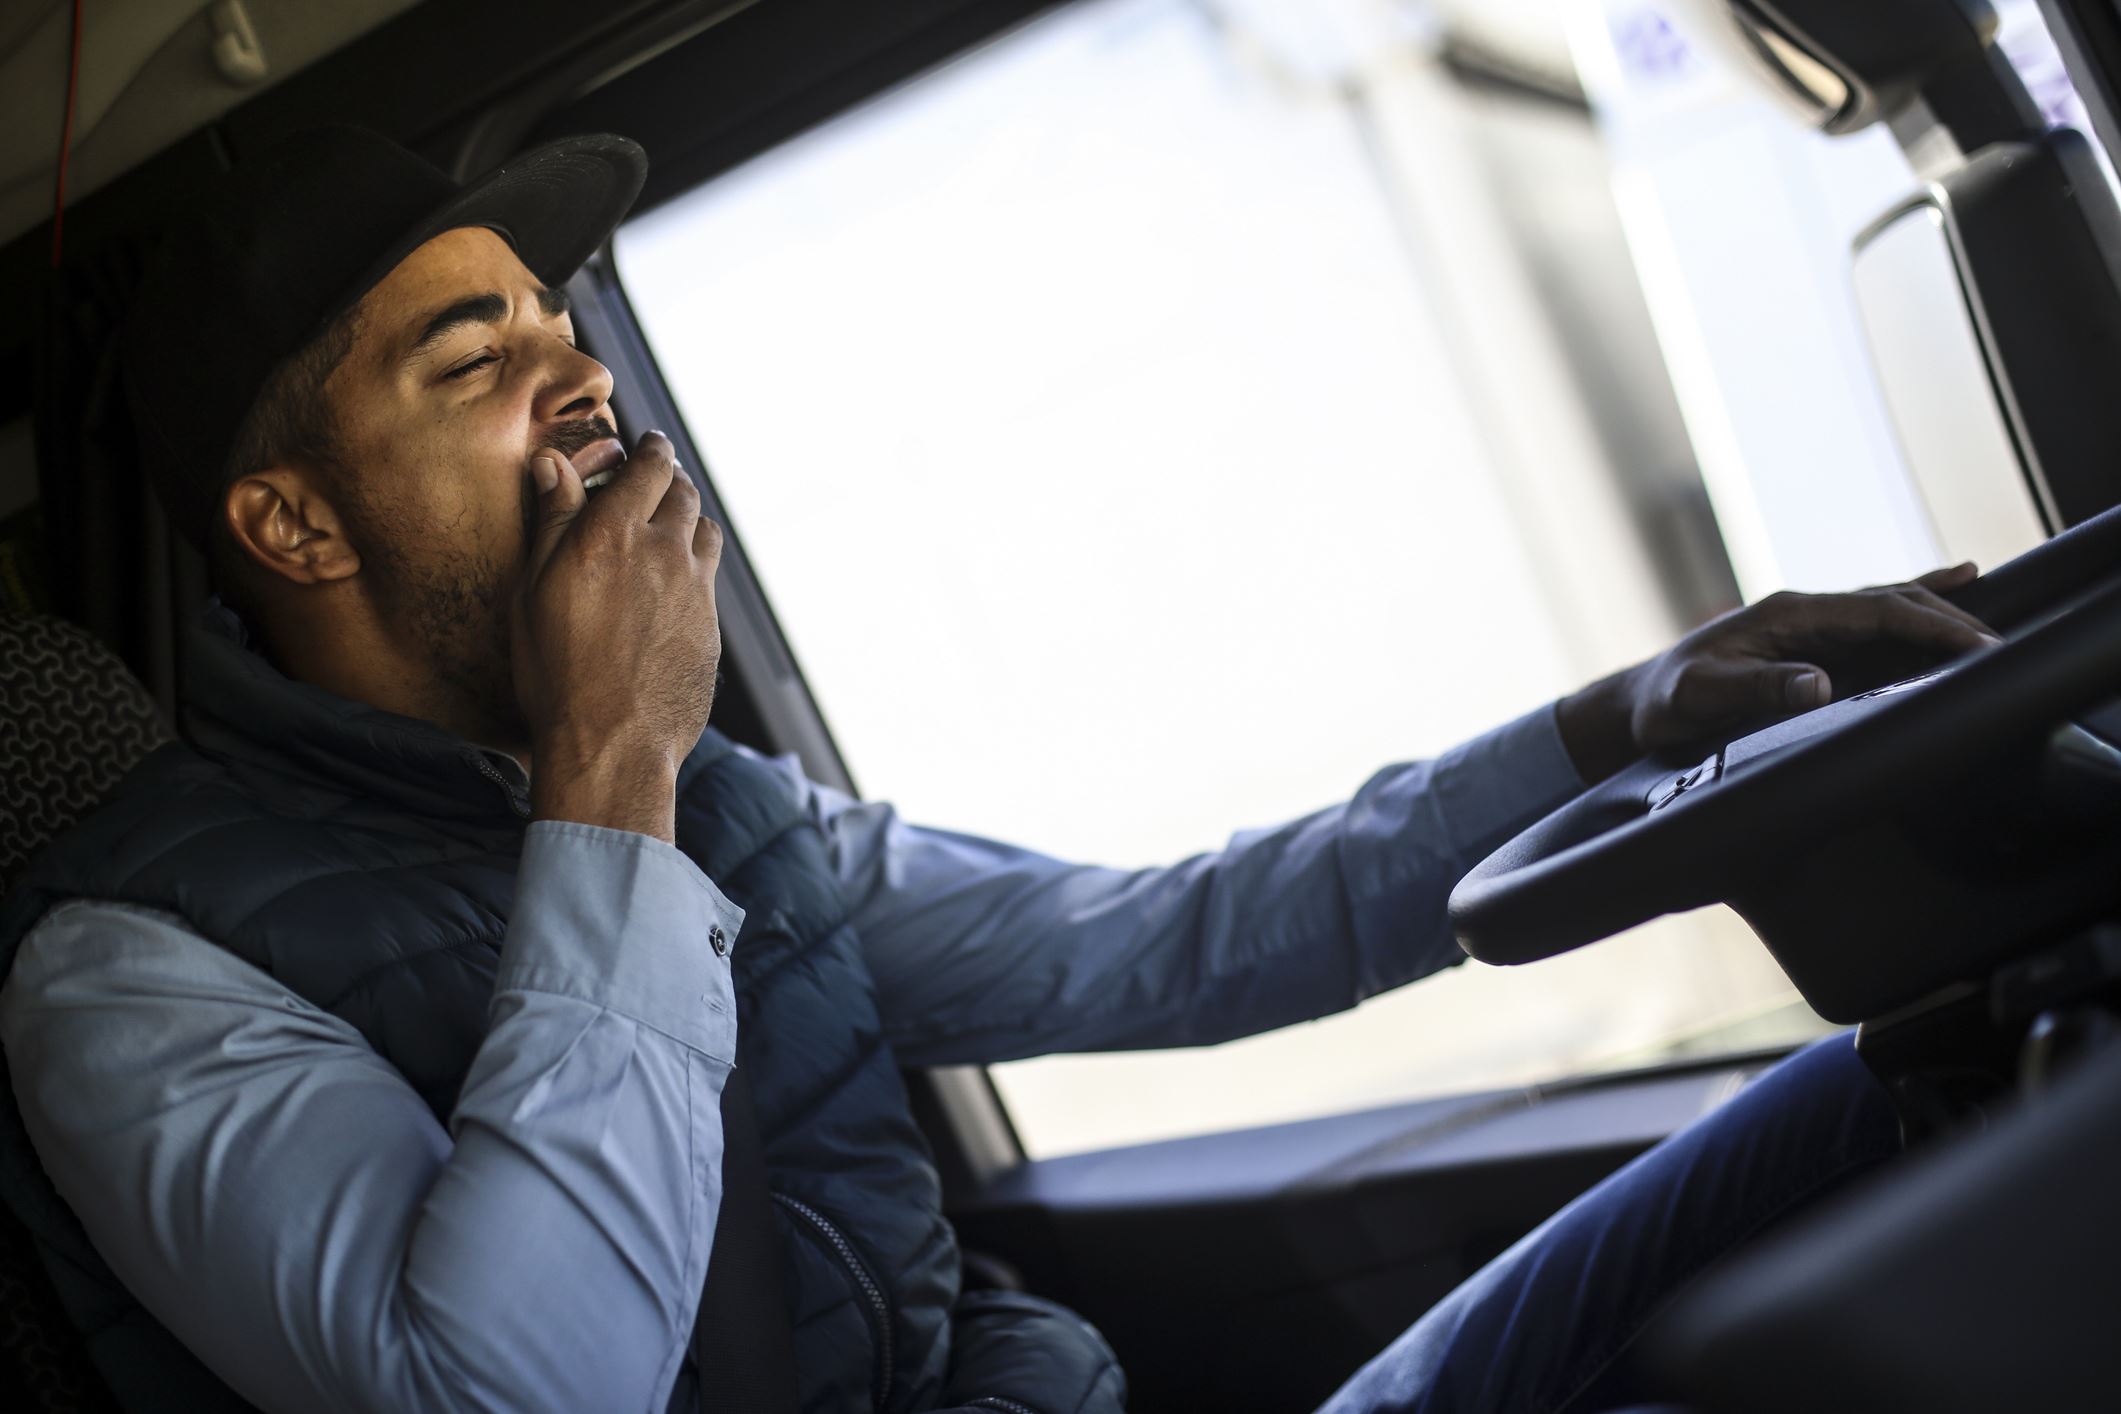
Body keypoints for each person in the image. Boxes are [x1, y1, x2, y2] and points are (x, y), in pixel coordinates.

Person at [0, 125, 1996, 1414]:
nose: (578, 371)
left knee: (1921, 1075)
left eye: (554, 315)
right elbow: (515, 1388)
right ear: (299, 530)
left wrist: (1614, 717)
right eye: (472, 356)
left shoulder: (732, 810)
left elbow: (1174, 943)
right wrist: (609, 752)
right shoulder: (129, 966)